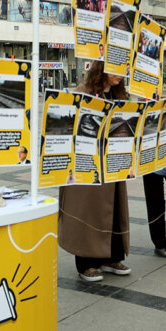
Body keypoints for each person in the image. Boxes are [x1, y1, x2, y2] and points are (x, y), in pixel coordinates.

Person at [59, 61, 131, 281]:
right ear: (103, 68)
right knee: (88, 210)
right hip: (87, 163)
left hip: (112, 162)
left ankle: (111, 257)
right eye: (117, 69)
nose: (121, 74)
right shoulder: (83, 92)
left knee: (114, 210)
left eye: (124, 70)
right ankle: (86, 264)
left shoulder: (120, 96)